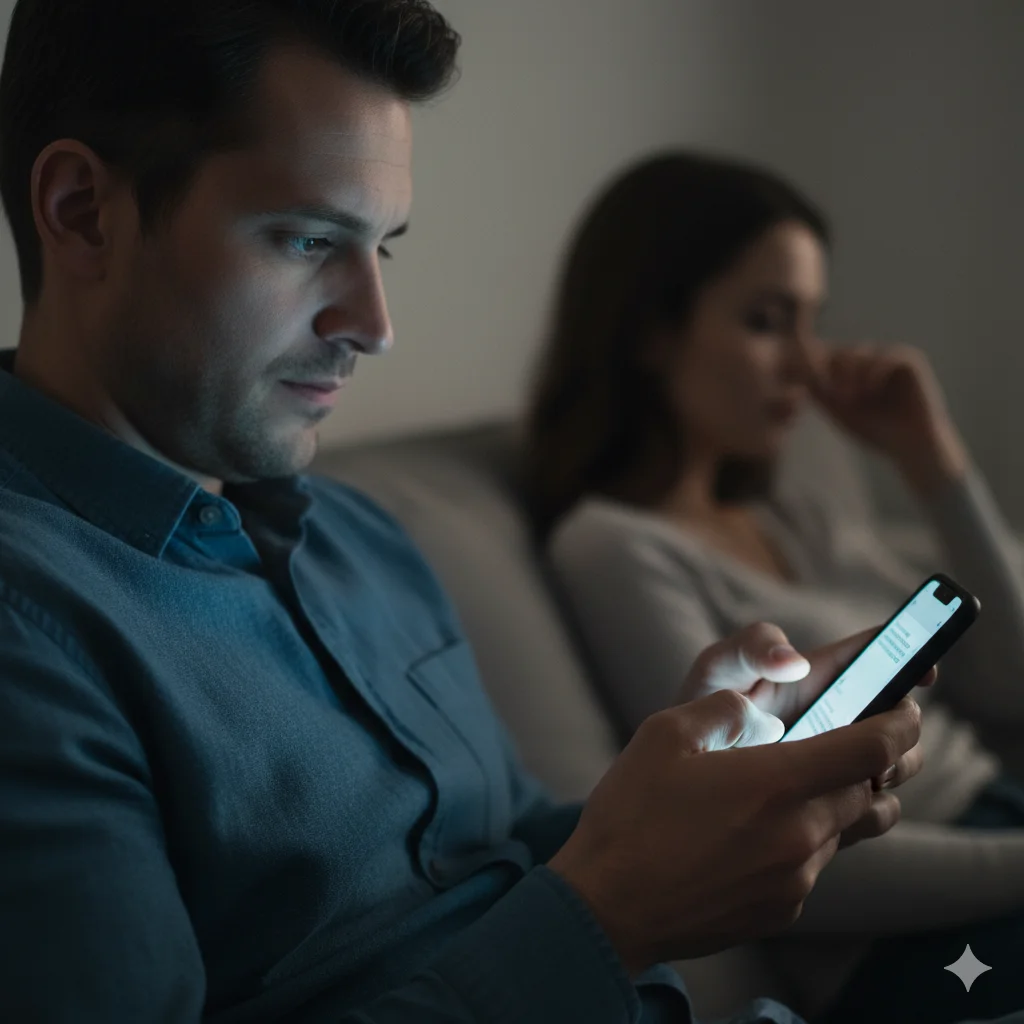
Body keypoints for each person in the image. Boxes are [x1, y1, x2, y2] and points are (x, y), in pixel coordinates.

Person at [0, 5, 1009, 1024]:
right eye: (309, 239)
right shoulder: (31, 630)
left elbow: (511, 847)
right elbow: (582, 907)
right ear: (84, 210)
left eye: (381, 250)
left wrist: (693, 797)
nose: (375, 327)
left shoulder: (360, 538)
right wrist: (611, 913)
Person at [525, 150, 1024, 1023]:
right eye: (766, 321)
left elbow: (1012, 682)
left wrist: (931, 459)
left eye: (812, 322)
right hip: (919, 927)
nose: (806, 363)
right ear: (651, 331)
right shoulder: (612, 545)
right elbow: (748, 834)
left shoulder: (796, 510)